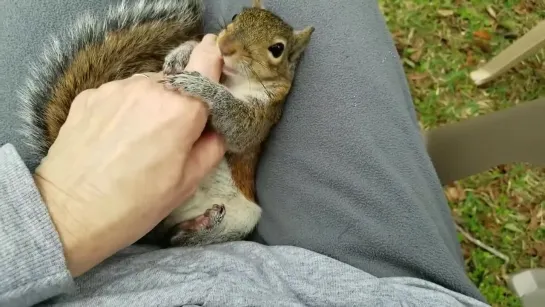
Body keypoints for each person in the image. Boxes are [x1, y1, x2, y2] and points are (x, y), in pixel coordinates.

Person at [0, 1, 490, 306]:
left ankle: (182, 235)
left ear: (287, 57)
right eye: (234, 25)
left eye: (272, 49)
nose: (232, 44)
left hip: (217, 204)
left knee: (237, 215)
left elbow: (238, 135)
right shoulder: (232, 57)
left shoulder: (267, 98)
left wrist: (207, 92)